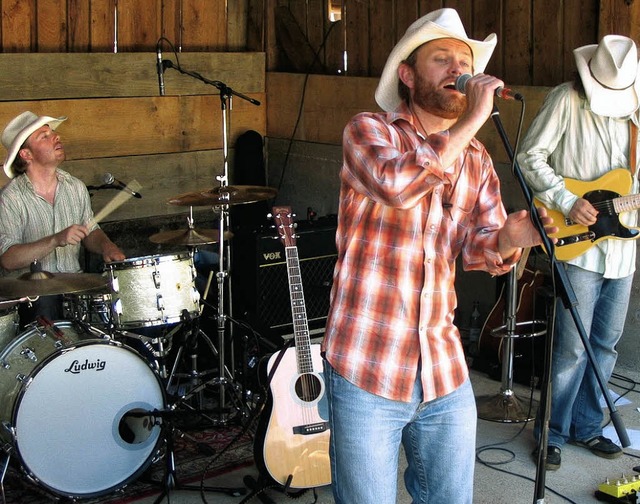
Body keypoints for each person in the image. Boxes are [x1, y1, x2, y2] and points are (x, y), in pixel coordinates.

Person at [321, 8, 557, 503]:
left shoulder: (476, 159)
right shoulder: (368, 131)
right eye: (441, 58)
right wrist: (474, 117)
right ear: (407, 75)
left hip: (444, 367)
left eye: (463, 60)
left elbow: (477, 246)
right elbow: (396, 184)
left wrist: (511, 239)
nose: (458, 70)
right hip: (367, 363)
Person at [518, 35, 640, 470]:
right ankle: (551, 432)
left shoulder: (636, 109)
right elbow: (529, 156)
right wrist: (567, 200)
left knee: (605, 343)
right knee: (571, 347)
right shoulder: (565, 99)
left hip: (623, 249)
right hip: (579, 246)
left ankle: (587, 425)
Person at [0, 111, 125, 325]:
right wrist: (55, 239)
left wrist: (107, 246)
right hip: (31, 299)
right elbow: (8, 259)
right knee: (45, 304)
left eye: (53, 133)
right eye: (44, 136)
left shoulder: (75, 187)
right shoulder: (10, 198)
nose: (56, 137)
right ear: (26, 155)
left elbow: (90, 231)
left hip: (74, 290)